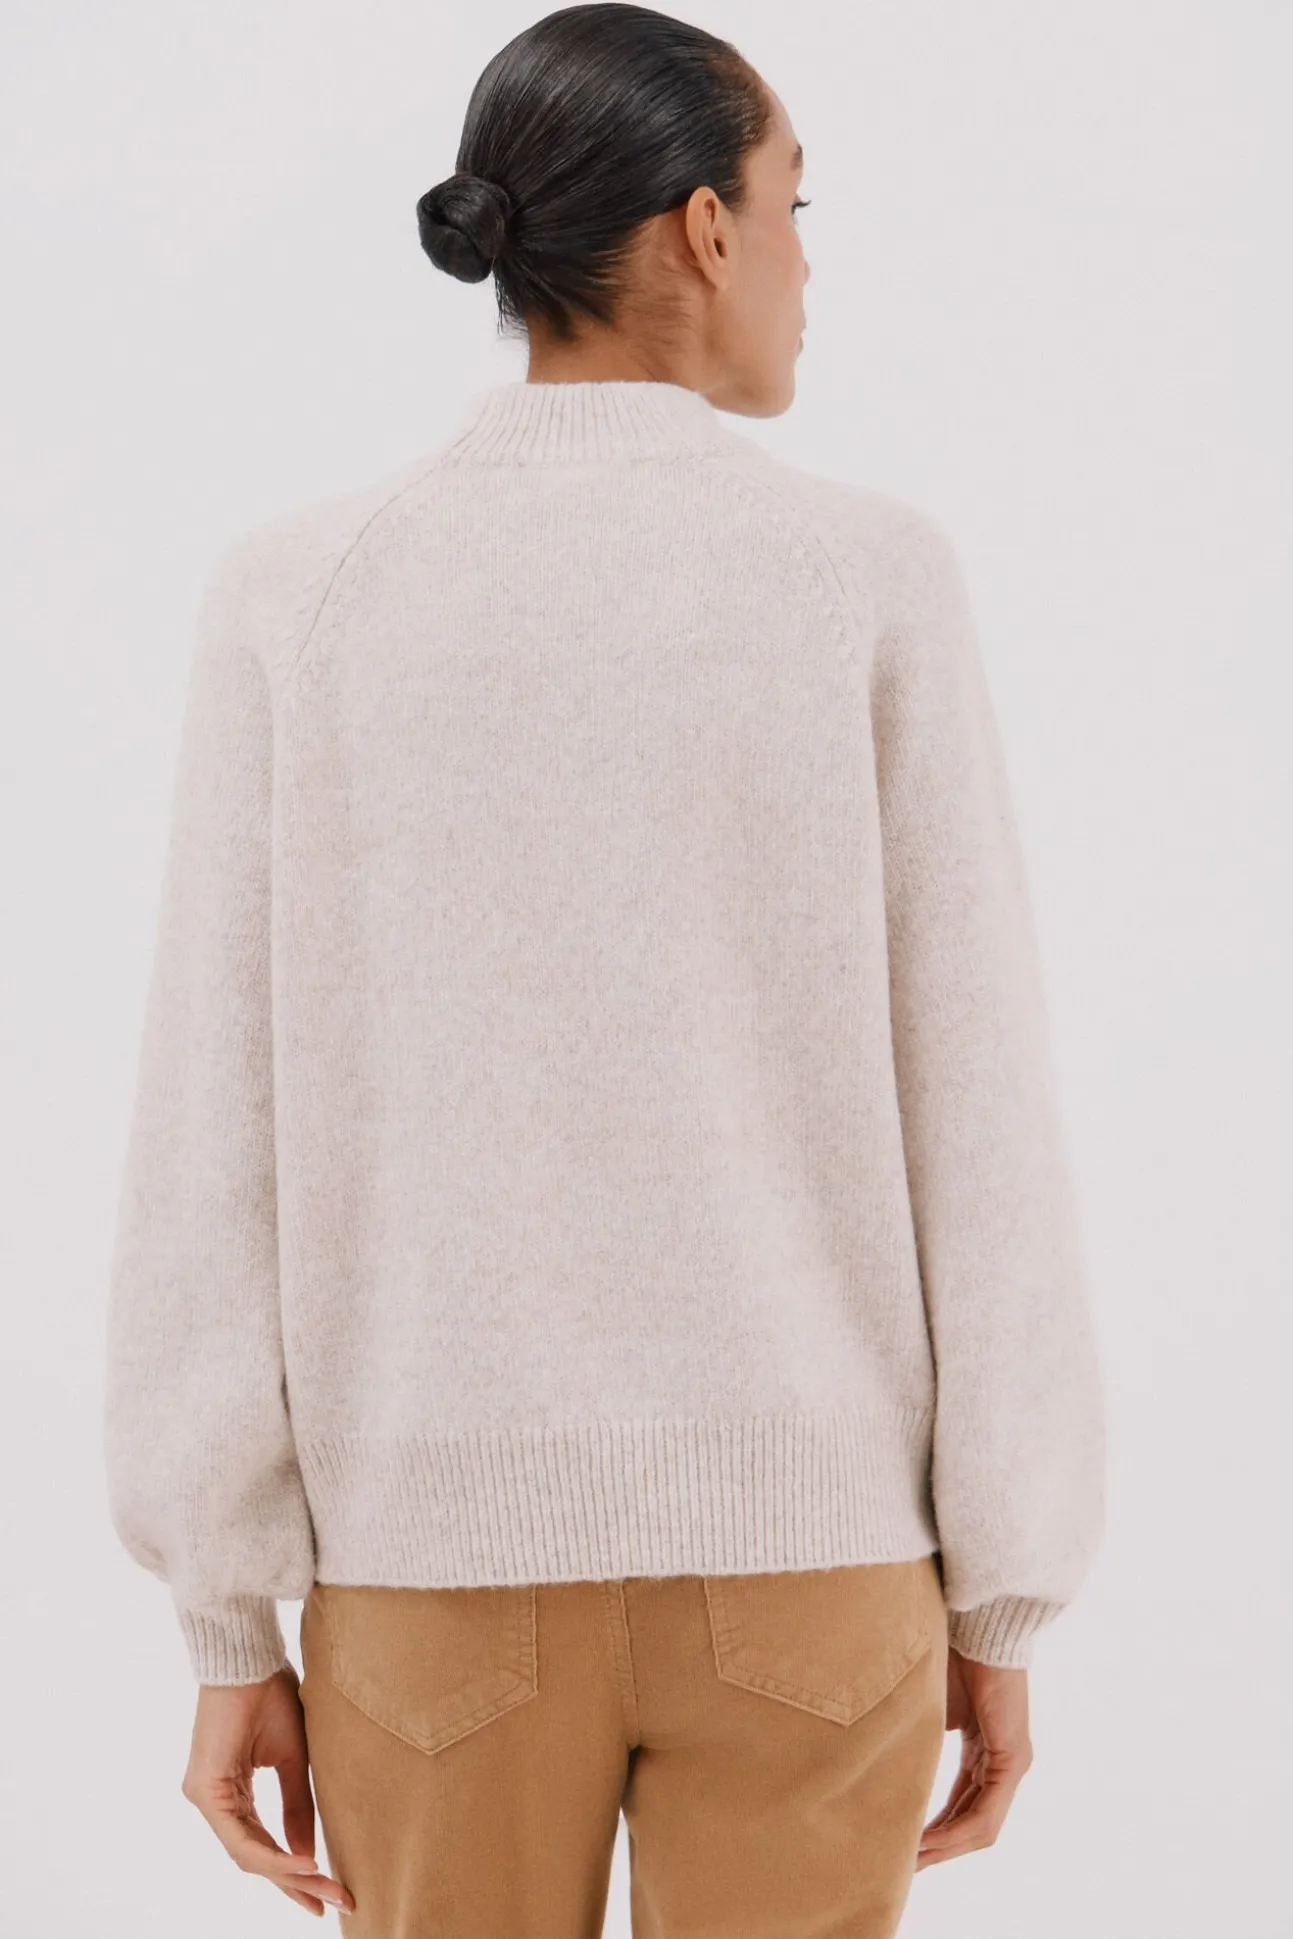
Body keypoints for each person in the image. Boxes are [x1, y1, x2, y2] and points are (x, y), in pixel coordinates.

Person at [102, 4, 1107, 1933]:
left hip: (428, 1579)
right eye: (797, 207)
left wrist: (227, 1614)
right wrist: (1003, 1590)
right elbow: (976, 1105)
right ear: (709, 229)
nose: (805, 263)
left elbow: (210, 1140)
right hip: (818, 1570)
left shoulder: (301, 594)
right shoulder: (866, 577)